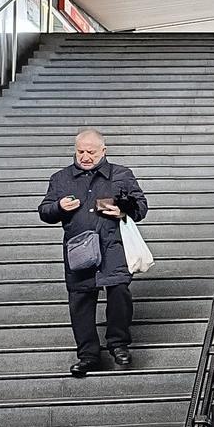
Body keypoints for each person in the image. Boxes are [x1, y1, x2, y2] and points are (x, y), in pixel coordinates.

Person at [38, 129, 149, 377]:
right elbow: (44, 211)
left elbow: (141, 207)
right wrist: (58, 207)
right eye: (80, 151)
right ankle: (88, 356)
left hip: (113, 247)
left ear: (103, 151)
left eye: (91, 151)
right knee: (81, 301)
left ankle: (118, 344)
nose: (85, 156)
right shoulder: (60, 178)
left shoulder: (121, 174)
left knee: (120, 291)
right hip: (79, 249)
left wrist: (122, 210)